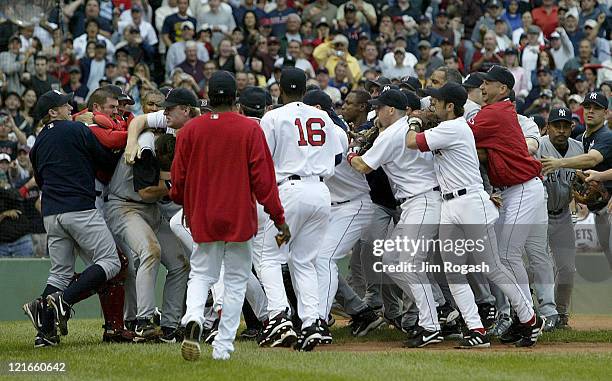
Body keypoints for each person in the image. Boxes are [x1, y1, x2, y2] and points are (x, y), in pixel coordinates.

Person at [406, 82, 543, 348]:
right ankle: (476, 329)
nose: (432, 104)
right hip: (450, 204)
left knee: (493, 267)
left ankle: (529, 319)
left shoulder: (454, 127)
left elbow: (412, 142)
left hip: (470, 201)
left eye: (437, 101)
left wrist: (412, 121)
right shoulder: (449, 128)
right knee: (454, 271)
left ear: (450, 106)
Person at [170, 71, 288, 361]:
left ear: (208, 97)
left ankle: (194, 316)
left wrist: (186, 204)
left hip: (204, 214)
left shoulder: (191, 130)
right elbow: (264, 182)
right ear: (236, 98)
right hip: (239, 215)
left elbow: (177, 182)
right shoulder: (249, 129)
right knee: (236, 281)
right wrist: (279, 218)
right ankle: (223, 348)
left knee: (200, 273)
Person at [347, 87, 445, 348]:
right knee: (391, 260)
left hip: (422, 200)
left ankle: (432, 323)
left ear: (391, 110)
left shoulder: (391, 133)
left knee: (409, 264)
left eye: (379, 107)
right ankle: (435, 310)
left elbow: (363, 166)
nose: (376, 111)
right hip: (418, 202)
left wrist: (351, 151)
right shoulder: (408, 129)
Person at [22, 90, 121, 348]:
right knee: (111, 262)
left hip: (51, 215)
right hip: (79, 209)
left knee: (59, 274)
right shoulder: (77, 130)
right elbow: (106, 161)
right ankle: (62, 302)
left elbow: (40, 179)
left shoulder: (39, 142)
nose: (70, 107)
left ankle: (44, 333)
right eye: (64, 105)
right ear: (52, 112)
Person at [257, 67, 342, 352]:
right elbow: (334, 159)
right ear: (305, 90)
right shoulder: (322, 117)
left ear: (280, 89)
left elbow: (262, 160)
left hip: (289, 194)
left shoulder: (273, 117)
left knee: (269, 255)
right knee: (304, 260)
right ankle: (311, 322)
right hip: (320, 193)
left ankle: (279, 315)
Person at [467, 65, 545, 342]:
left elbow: (461, 136)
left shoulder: (495, 112)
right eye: (483, 82)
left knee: (507, 255)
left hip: (522, 187)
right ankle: (524, 316)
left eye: (488, 82)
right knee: (505, 256)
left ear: (503, 89)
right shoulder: (499, 111)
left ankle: (529, 319)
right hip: (515, 189)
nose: (483, 87)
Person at [541, 92, 612, 270]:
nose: (590, 111)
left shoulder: (606, 136)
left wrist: (559, 163)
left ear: (606, 112)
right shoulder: (582, 140)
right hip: (600, 210)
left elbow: (592, 160)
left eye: (596, 108)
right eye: (587, 106)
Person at [538, 107, 583, 330]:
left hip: (563, 214)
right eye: (557, 125)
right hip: (540, 215)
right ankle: (544, 313)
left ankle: (561, 314)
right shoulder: (539, 145)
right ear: (548, 127)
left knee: (567, 268)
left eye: (566, 126)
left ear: (571, 127)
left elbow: (583, 182)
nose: (562, 130)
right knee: (541, 266)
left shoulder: (578, 148)